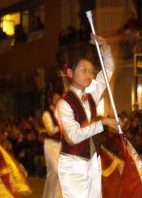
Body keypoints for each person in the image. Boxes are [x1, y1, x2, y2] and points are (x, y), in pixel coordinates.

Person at [55, 34, 119, 198]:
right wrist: (101, 123)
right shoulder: (64, 104)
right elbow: (74, 136)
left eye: (91, 71)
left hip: (93, 159)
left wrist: (104, 48)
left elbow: (107, 71)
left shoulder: (91, 94)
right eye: (83, 70)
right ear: (70, 73)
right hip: (73, 163)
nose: (89, 75)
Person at [42, 92, 62, 198]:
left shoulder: (62, 112)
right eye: (55, 99)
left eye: (59, 99)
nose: (58, 101)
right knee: (54, 171)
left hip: (61, 145)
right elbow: (50, 131)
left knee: (60, 173)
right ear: (51, 100)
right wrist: (60, 127)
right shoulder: (47, 114)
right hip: (50, 145)